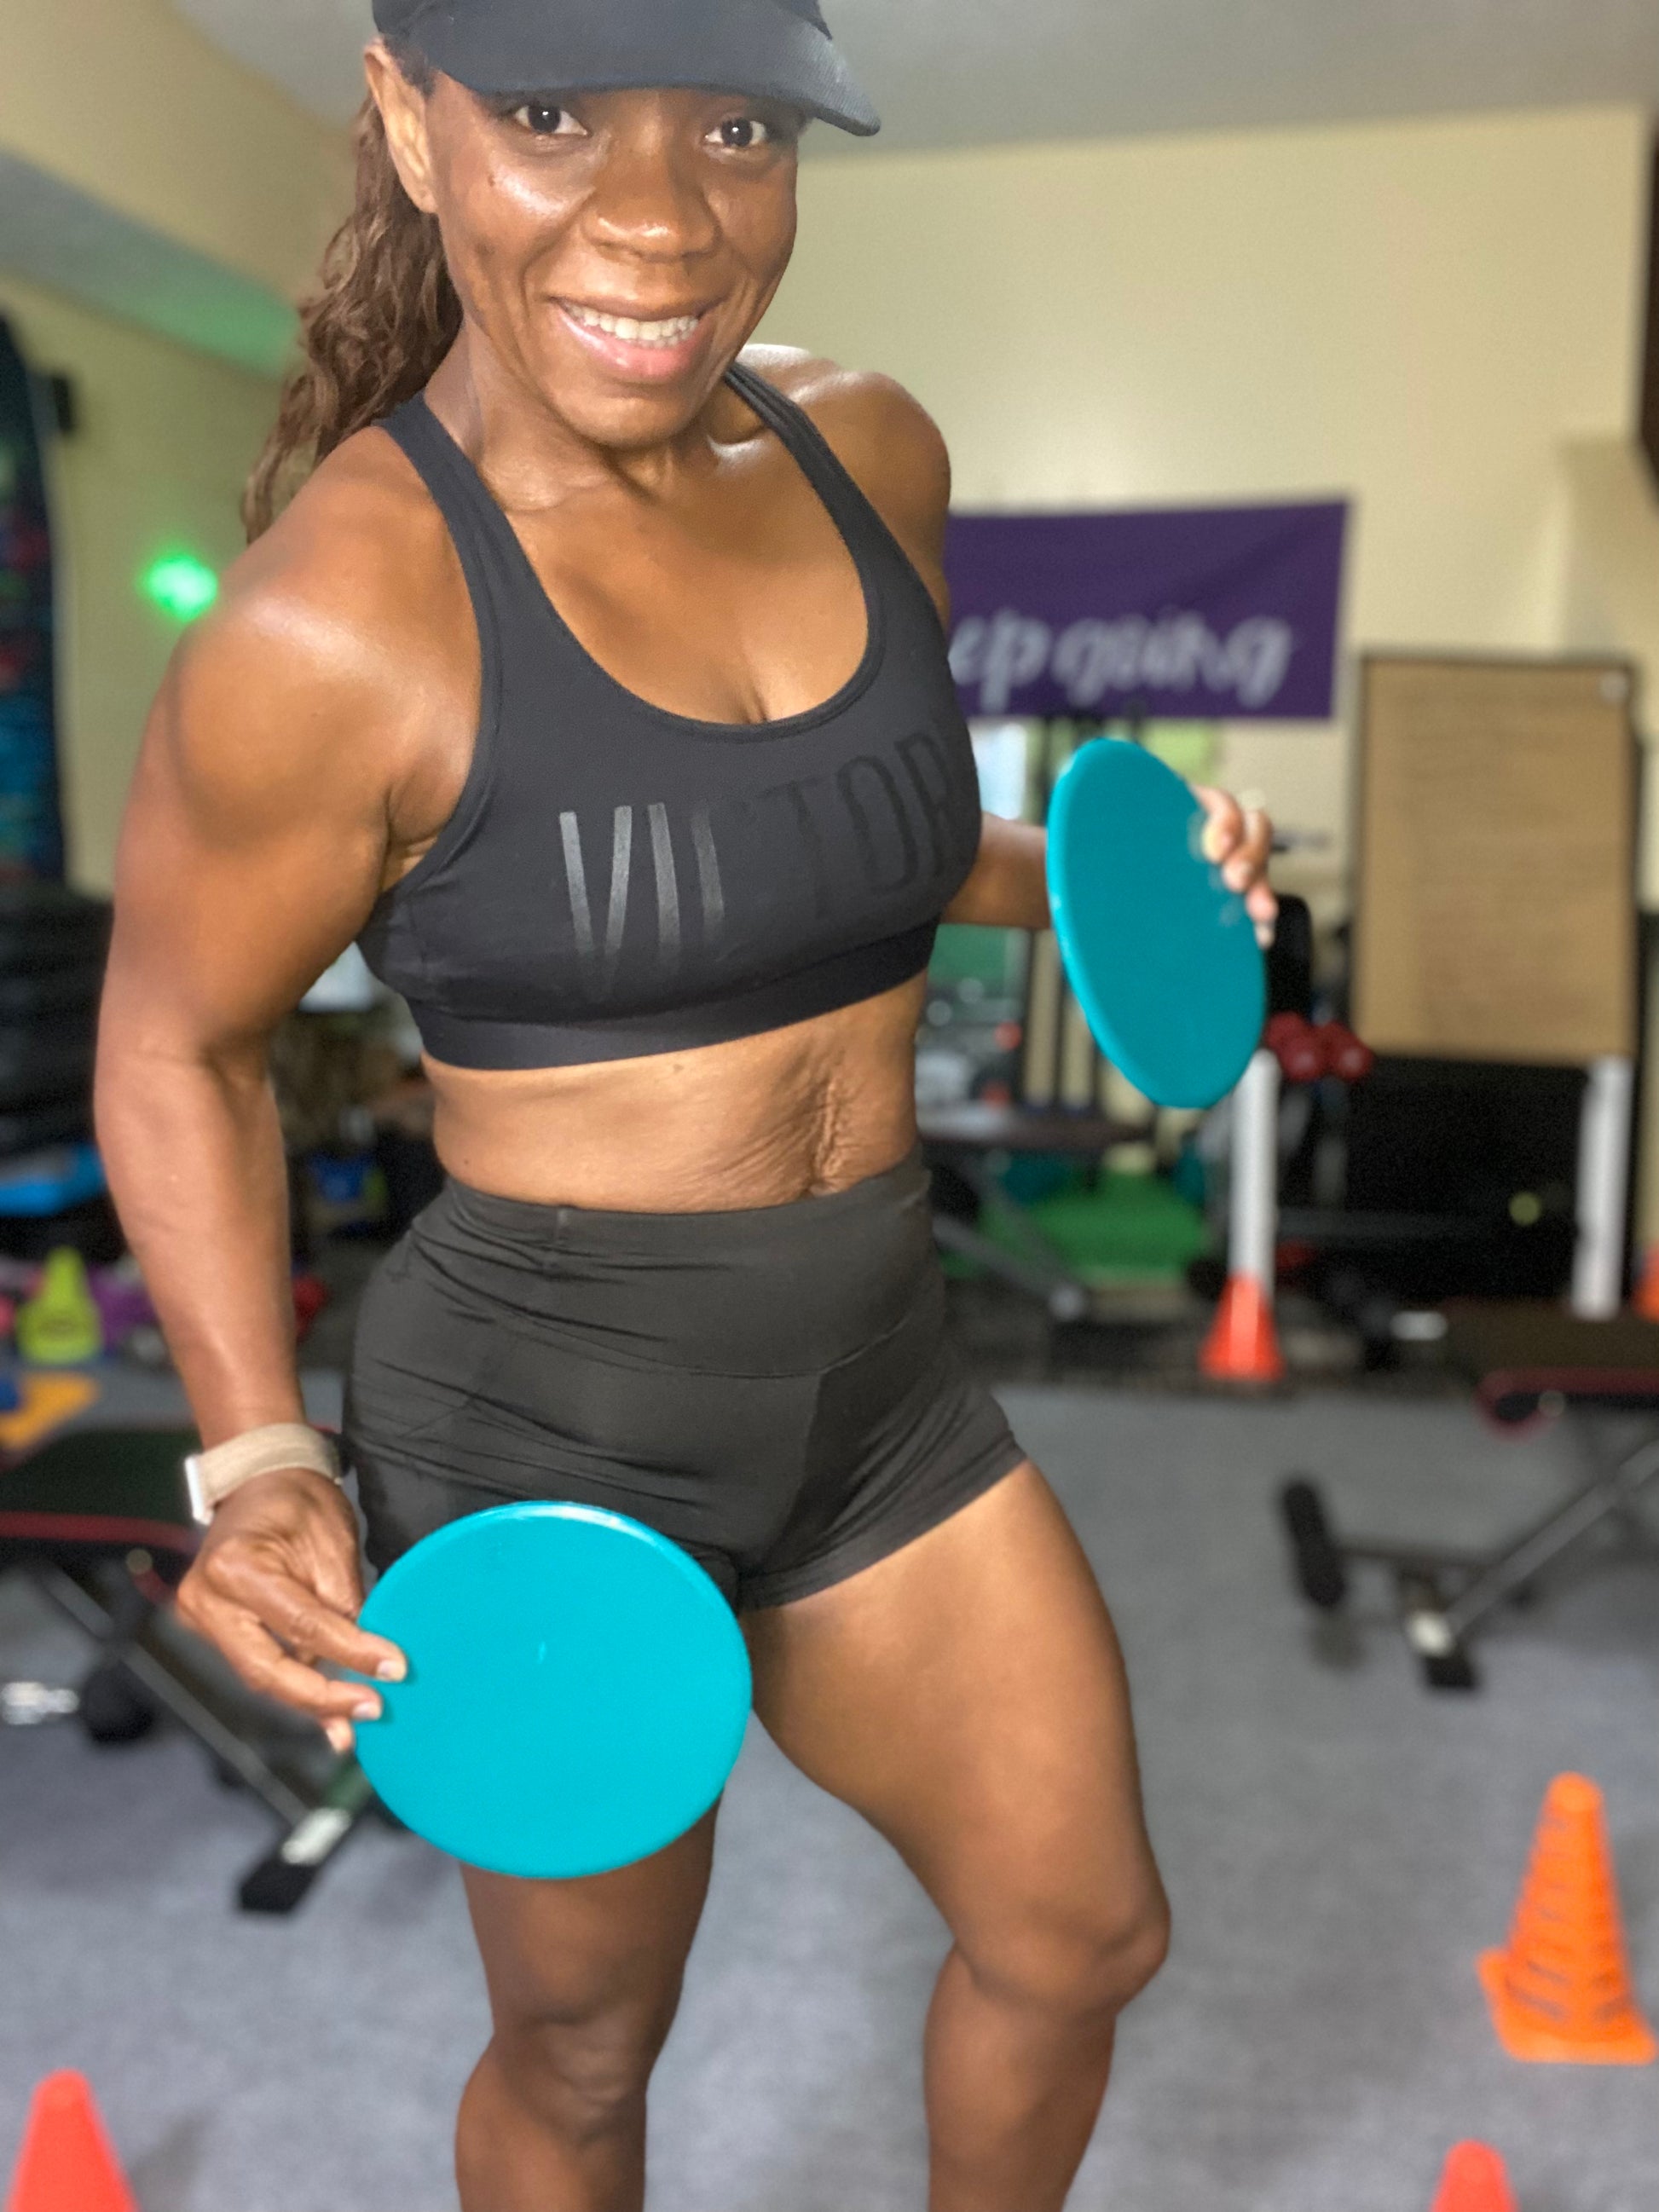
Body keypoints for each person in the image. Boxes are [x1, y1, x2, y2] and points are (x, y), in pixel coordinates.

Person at [96, 4, 1276, 2207]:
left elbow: (861, 838)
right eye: (552, 116)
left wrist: (1129, 869)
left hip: (879, 1380)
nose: (658, 215)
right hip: (545, 1426)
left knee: (1079, 1932)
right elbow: (177, 1041)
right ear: (409, 122)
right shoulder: (333, 624)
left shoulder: (867, 451)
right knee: (580, 2047)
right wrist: (254, 1460)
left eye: (735, 127)